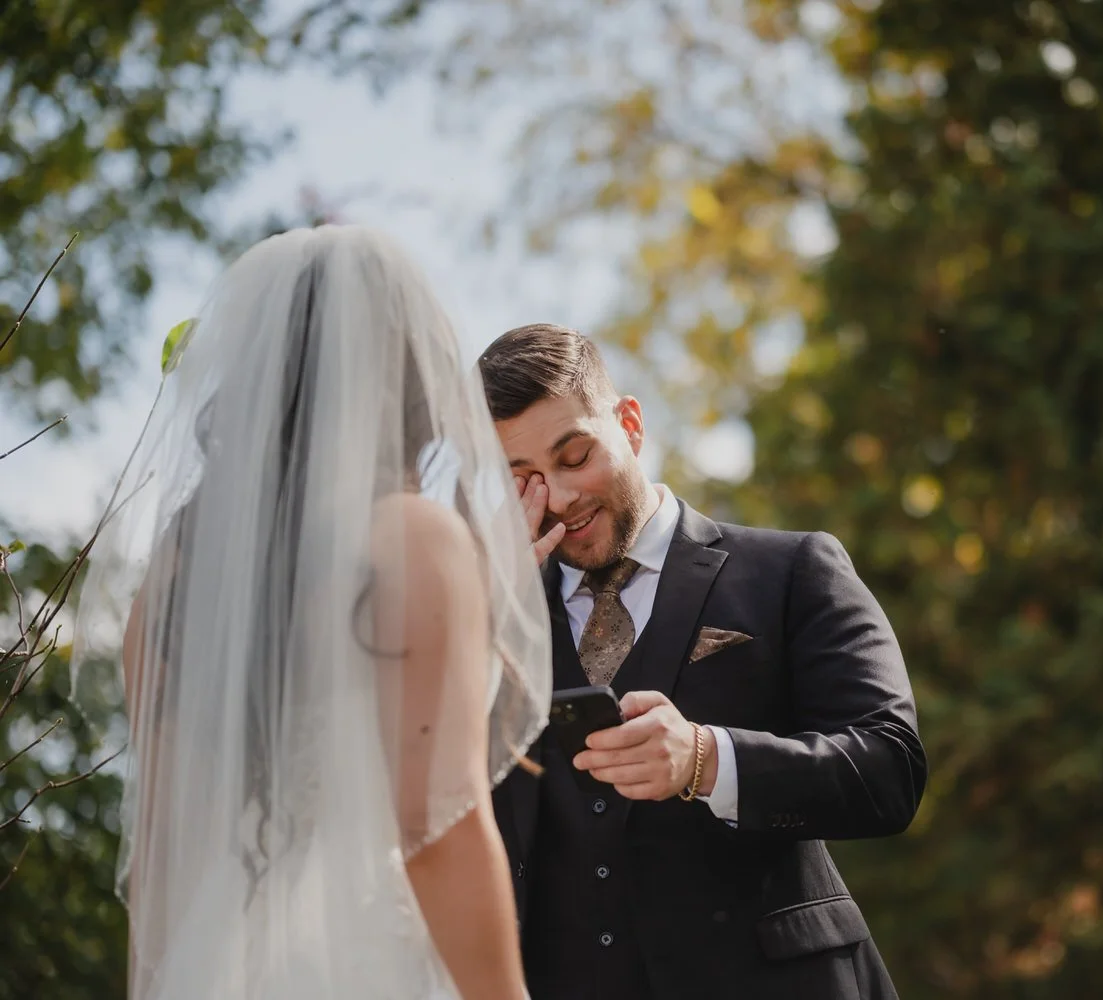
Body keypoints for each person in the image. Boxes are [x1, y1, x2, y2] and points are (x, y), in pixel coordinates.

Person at [69, 226, 552, 1000]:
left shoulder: (176, 577)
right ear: (408, 373)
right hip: (366, 958)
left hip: (217, 962)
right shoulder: (414, 540)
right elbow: (436, 829)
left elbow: (162, 849)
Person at [478, 323, 927, 1000]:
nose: (562, 498)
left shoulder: (791, 569)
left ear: (630, 425)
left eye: (575, 457)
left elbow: (889, 771)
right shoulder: (493, 618)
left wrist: (706, 759)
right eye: (526, 479)